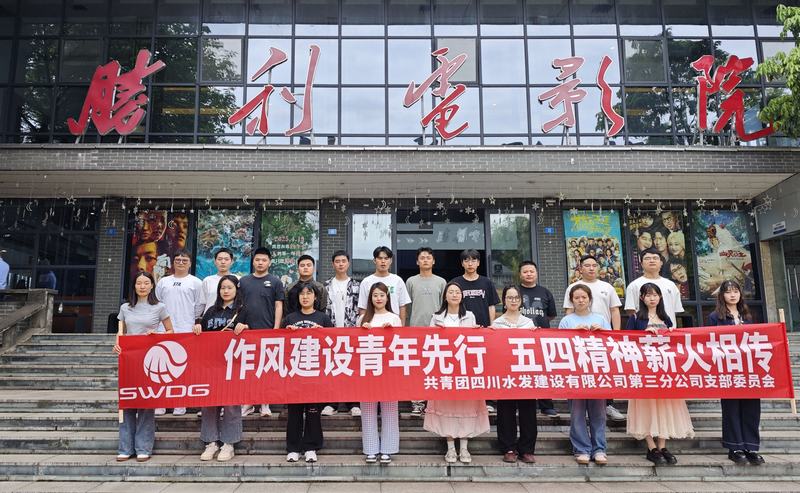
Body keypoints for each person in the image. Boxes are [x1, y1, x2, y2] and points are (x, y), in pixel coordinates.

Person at [625, 283, 694, 466]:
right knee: (645, 407)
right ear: (642, 298)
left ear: (660, 297)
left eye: (655, 295)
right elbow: (627, 343)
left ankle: (662, 446)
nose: (652, 298)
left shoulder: (666, 318)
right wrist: (643, 334)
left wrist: (672, 333)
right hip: (644, 369)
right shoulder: (635, 318)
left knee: (664, 407)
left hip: (664, 370)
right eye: (648, 295)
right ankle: (651, 447)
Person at [113, 271, 173, 463]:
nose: (142, 286)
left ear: (152, 285)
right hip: (129, 360)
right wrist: (117, 344)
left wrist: (156, 335)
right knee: (127, 403)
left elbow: (170, 331)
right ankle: (125, 447)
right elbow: (121, 332)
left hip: (150, 360)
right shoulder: (125, 307)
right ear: (134, 286)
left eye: (146, 283)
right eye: (139, 283)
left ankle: (143, 447)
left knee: (146, 404)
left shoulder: (159, 307)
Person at [424, 281, 487, 463]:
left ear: (462, 296)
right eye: (450, 292)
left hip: (465, 369)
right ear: (445, 296)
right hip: (444, 368)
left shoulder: (469, 316)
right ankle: (451, 447)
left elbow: (474, 342)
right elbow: (429, 341)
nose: (454, 295)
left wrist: (477, 332)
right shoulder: (436, 317)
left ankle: (464, 448)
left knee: (466, 406)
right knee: (446, 407)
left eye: (457, 292)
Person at [707, 280, 764, 465]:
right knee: (731, 408)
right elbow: (710, 342)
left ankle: (751, 447)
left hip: (749, 369)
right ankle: (735, 447)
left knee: (752, 408)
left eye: (736, 291)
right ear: (722, 295)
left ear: (740, 294)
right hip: (728, 369)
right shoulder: (715, 317)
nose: (732, 295)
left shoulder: (748, 315)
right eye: (728, 292)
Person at [563, 254, 624, 421]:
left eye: (594, 265)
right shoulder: (573, 287)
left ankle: (608, 405)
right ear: (580, 268)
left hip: (601, 337)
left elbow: (614, 310)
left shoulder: (607, 287)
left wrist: (615, 334)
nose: (591, 268)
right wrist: (570, 329)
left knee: (603, 371)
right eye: (587, 265)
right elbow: (568, 311)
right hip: (579, 342)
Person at [193, 274, 244, 462]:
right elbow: (201, 334)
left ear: (236, 290)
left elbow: (253, 333)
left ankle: (229, 443)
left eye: (230, 287)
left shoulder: (242, 310)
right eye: (223, 288)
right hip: (211, 364)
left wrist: (246, 327)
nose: (226, 291)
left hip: (232, 364)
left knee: (231, 404)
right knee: (209, 404)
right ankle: (211, 442)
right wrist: (197, 328)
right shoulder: (211, 311)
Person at [282, 282, 333, 463]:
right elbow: (280, 345)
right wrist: (288, 333)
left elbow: (333, 344)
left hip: (315, 373)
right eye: (302, 294)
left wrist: (323, 333)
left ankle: (311, 446)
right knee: (294, 412)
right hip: (295, 372)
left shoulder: (323, 318)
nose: (305, 297)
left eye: (309, 293)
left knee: (313, 412)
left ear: (315, 297)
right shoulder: (290, 318)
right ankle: (293, 448)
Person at [559, 284, 609, 466]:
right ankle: (581, 449)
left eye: (584, 297)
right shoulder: (566, 321)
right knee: (577, 413)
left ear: (590, 299)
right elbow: (558, 346)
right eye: (577, 298)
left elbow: (612, 344)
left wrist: (602, 332)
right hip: (575, 373)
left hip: (597, 372)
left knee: (599, 413)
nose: (580, 301)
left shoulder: (601, 319)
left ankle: (599, 448)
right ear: (571, 300)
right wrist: (572, 334)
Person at [491, 285, 538, 464]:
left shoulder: (529, 323)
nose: (513, 300)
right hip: (505, 373)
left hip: (526, 372)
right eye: (509, 297)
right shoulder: (497, 324)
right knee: (505, 411)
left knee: (528, 411)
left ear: (520, 300)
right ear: (504, 301)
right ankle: (508, 448)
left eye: (516, 297)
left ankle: (527, 449)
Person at [237, 247, 285, 418]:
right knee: (248, 369)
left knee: (265, 368)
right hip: (247, 332)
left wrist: (276, 329)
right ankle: (248, 403)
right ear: (253, 261)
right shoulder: (244, 281)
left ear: (269, 262)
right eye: (257, 260)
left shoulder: (275, 281)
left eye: (264, 260)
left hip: (267, 331)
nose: (260, 263)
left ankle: (265, 403)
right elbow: (238, 305)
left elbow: (278, 305)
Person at [154, 249, 202, 416]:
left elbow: (199, 306)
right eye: (178, 260)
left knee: (181, 367)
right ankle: (161, 403)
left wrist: (191, 321)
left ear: (190, 263)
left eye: (184, 260)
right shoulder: (163, 282)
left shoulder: (196, 282)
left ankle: (179, 404)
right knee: (162, 366)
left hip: (186, 329)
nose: (181, 262)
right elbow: (157, 304)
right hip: (164, 329)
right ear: (173, 263)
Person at [451, 248, 500, 413]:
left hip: (483, 332)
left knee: (484, 366)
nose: (470, 263)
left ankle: (487, 400)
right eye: (466, 260)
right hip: (462, 332)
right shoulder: (456, 283)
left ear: (478, 263)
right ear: (462, 263)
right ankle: (466, 398)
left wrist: (492, 325)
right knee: (464, 365)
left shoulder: (487, 283)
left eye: (473, 260)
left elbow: (491, 306)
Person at [358, 282, 402, 464]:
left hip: (389, 370)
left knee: (390, 410)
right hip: (368, 369)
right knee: (368, 410)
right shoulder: (362, 319)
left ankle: (387, 449)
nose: (378, 298)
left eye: (382, 295)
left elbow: (401, 344)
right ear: (370, 298)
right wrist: (363, 331)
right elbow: (354, 344)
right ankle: (370, 449)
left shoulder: (394, 318)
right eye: (375, 295)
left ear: (387, 297)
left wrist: (390, 332)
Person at [406, 247, 446, 415]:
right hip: (415, 330)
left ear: (433, 261)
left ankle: (434, 402)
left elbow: (445, 306)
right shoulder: (411, 281)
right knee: (417, 368)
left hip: (436, 331)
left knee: (435, 367)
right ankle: (417, 401)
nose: (425, 260)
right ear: (417, 261)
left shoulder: (441, 282)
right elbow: (407, 307)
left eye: (428, 257)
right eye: (422, 258)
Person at [517, 261, 558, 417]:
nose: (528, 274)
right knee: (521, 371)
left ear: (536, 273)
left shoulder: (545, 292)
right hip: (520, 339)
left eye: (531, 271)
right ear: (520, 274)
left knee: (543, 371)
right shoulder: (515, 291)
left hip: (541, 339)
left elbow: (551, 315)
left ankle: (546, 405)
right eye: (525, 271)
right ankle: (521, 403)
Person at [323, 250, 361, 417]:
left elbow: (361, 309)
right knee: (331, 368)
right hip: (330, 333)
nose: (340, 264)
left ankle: (353, 403)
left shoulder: (357, 285)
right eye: (337, 261)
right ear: (333, 264)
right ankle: (332, 403)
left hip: (351, 333)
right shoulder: (325, 286)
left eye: (343, 261)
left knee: (351, 368)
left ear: (348, 263)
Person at [625, 247, 684, 326]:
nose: (652, 261)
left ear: (661, 262)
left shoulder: (671, 285)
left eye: (655, 258)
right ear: (641, 264)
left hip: (668, 330)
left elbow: (675, 310)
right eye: (647, 258)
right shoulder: (634, 285)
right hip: (644, 331)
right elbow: (631, 311)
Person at [357, 246, 411, 322]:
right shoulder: (366, 282)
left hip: (393, 324)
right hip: (372, 325)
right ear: (374, 260)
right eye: (380, 258)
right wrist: (364, 324)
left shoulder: (398, 280)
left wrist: (400, 326)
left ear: (391, 261)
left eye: (386, 258)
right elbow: (363, 307)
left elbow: (402, 306)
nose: (383, 261)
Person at [199, 248, 236, 315]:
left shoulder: (238, 279)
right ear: (215, 261)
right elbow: (202, 304)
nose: (223, 262)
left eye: (226, 259)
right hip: (210, 318)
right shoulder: (207, 280)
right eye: (219, 259)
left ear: (232, 262)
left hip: (231, 318)